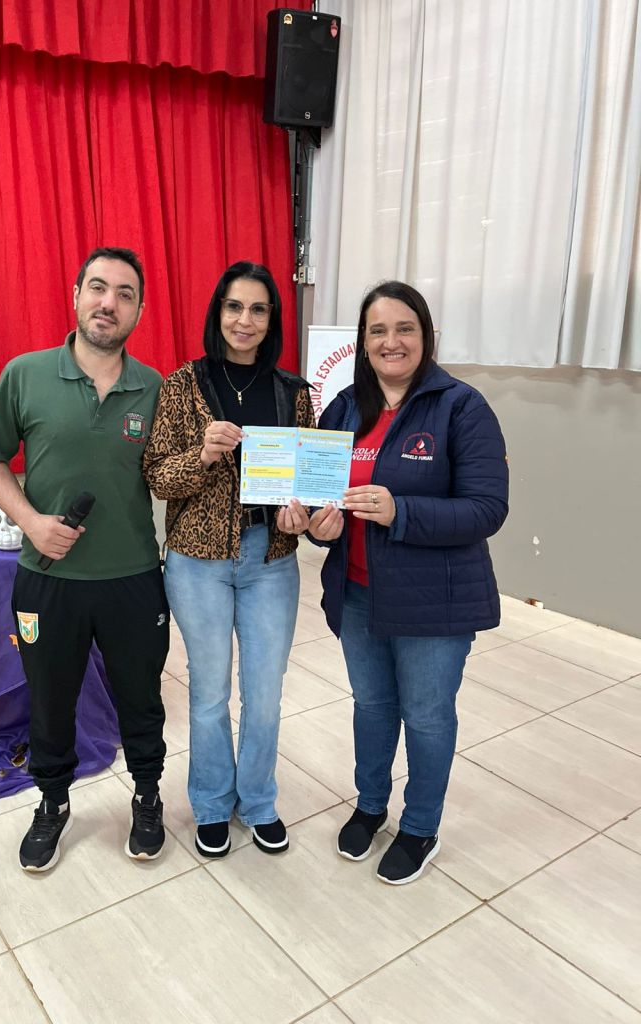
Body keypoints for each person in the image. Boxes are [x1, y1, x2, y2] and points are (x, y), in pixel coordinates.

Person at [306, 280, 508, 884]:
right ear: (362, 341)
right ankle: (370, 806)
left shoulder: (461, 407)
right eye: (378, 330)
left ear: (426, 336)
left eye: (404, 329)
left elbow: (487, 509)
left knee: (425, 716)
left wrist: (402, 512)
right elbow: (323, 499)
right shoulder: (344, 408)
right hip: (358, 593)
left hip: (434, 602)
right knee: (371, 707)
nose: (391, 342)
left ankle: (420, 826)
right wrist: (318, 524)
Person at [0, 247, 169, 872]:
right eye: (98, 288)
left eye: (125, 294)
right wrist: (30, 522)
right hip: (48, 580)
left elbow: (172, 474)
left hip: (133, 579)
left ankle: (147, 794)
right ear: (77, 295)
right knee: (50, 699)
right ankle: (53, 803)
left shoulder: (156, 388)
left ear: (139, 310)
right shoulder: (25, 374)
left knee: (141, 697)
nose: (109, 303)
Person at [143, 261, 313, 858]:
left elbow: (308, 484)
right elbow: (158, 476)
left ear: (272, 320)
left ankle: (259, 800)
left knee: (264, 694)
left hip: (272, 558)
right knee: (210, 692)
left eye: (259, 309)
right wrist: (203, 455)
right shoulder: (181, 384)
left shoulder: (294, 392)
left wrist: (301, 514)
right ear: (218, 312)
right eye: (235, 306)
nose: (245, 320)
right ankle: (213, 803)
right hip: (198, 562)